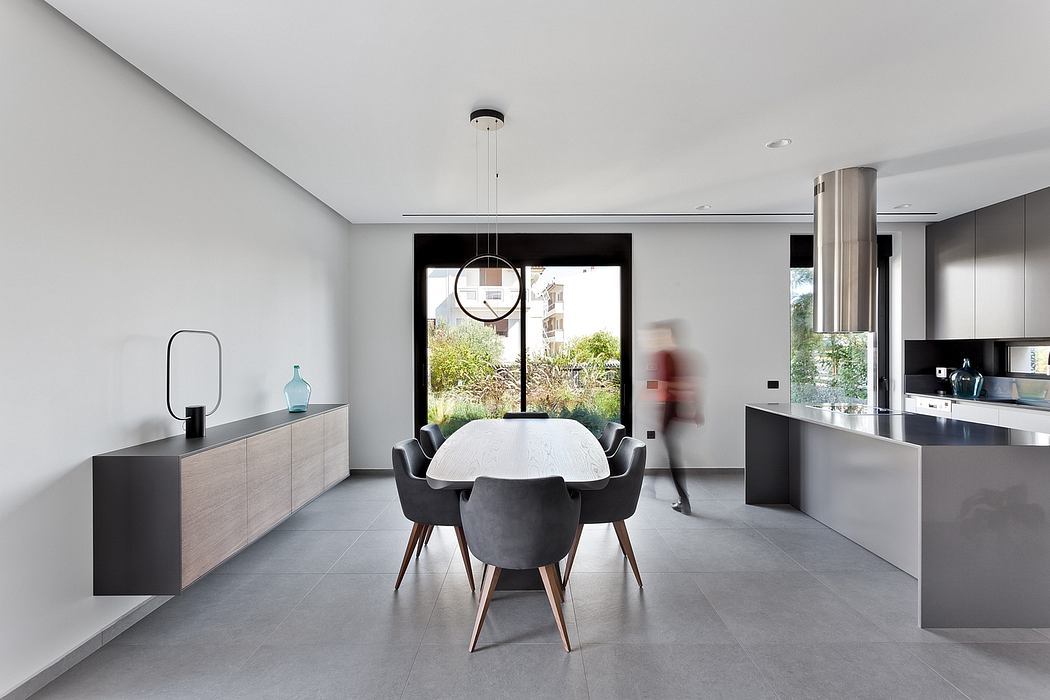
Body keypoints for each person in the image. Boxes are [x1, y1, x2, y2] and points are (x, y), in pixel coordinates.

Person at [648, 321, 701, 515]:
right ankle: (653, 484)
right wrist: (696, 409)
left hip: (670, 408)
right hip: (674, 408)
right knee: (668, 449)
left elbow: (665, 384)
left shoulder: (665, 356)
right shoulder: (674, 357)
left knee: (671, 453)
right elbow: (687, 383)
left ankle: (684, 500)